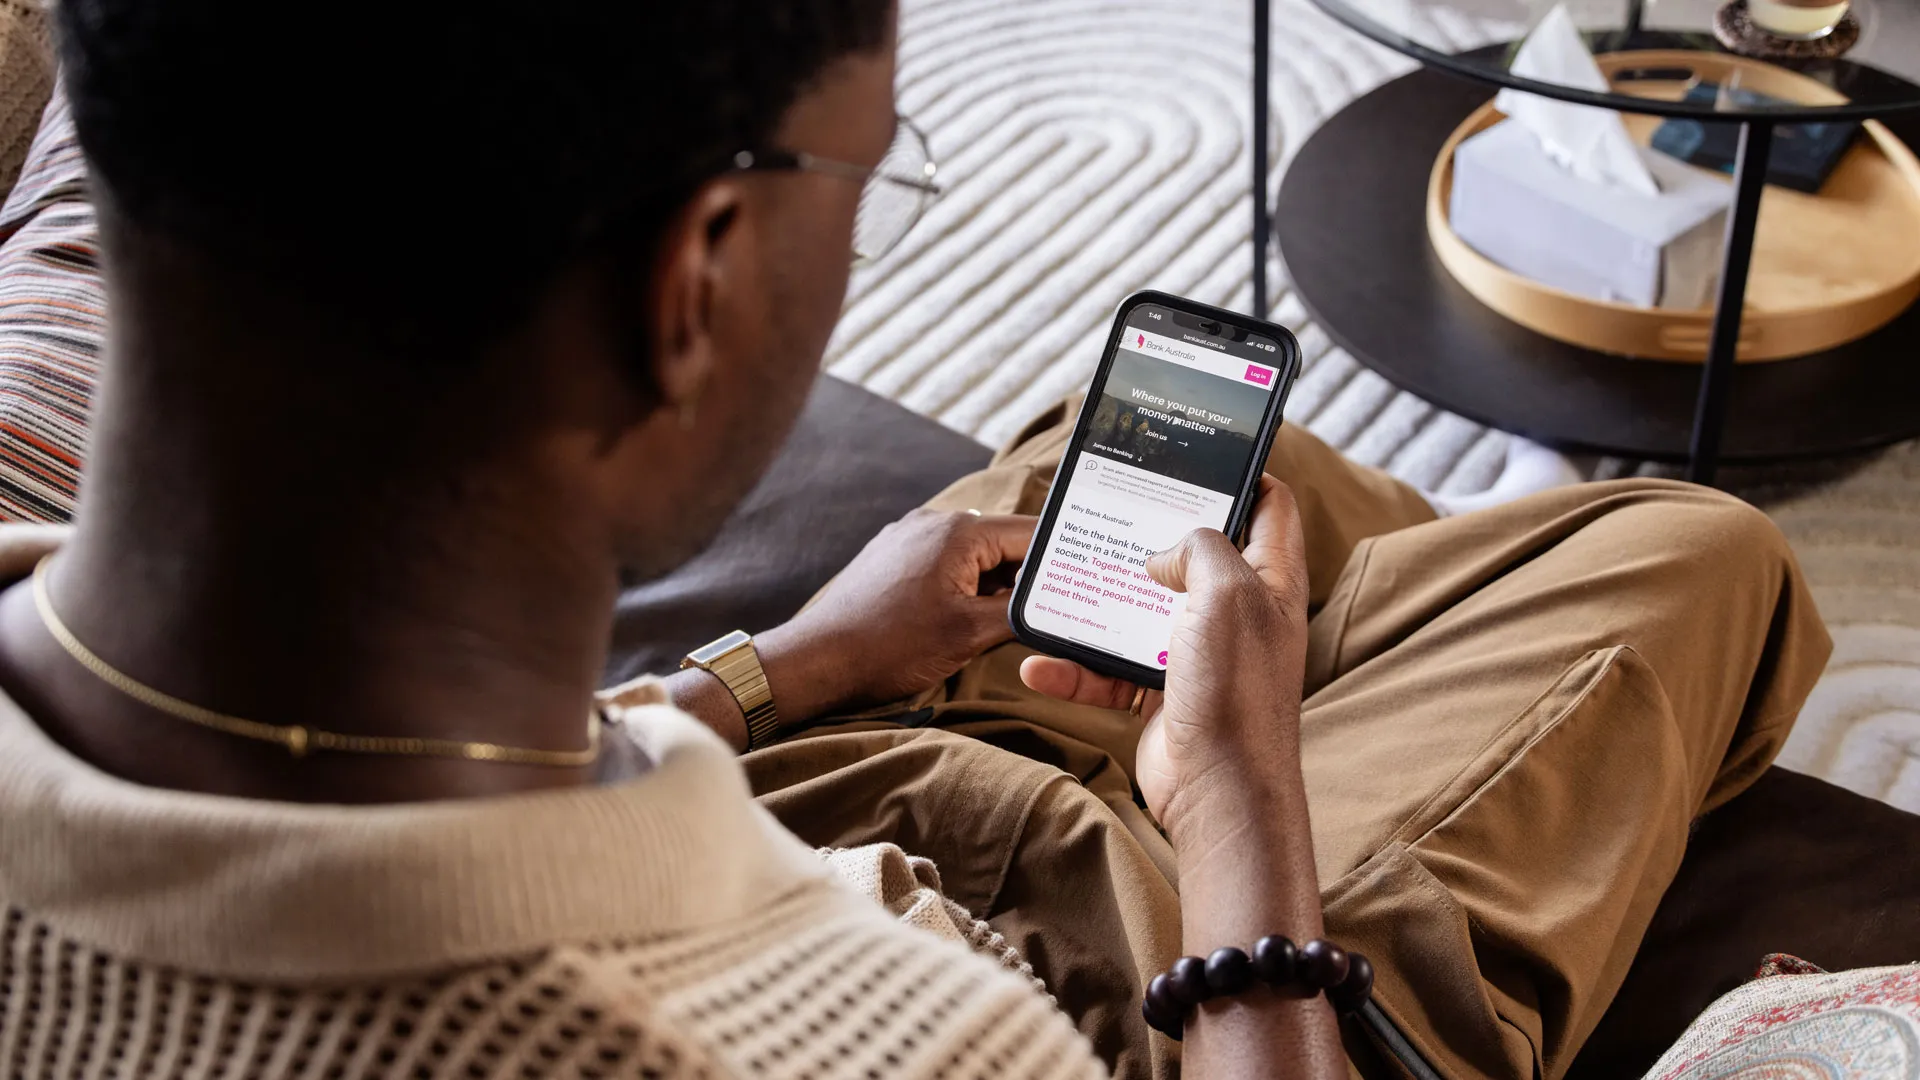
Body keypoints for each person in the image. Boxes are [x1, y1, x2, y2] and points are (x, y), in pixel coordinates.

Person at [0, 4, 1830, 1080]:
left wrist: (785, 664)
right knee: (1694, 557)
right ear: (693, 284)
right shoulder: (893, 1050)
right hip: (1146, 993)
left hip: (793, 755)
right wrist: (1243, 817)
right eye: (873, 168)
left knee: (1199, 502)